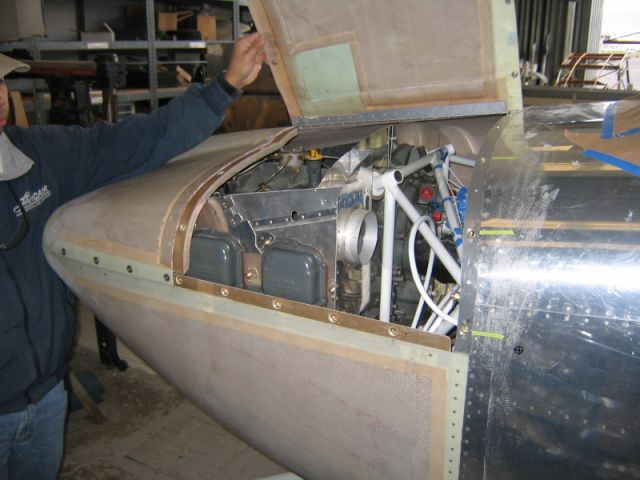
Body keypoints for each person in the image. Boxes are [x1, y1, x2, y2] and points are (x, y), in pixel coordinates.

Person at [0, 33, 265, 480]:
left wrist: (225, 87)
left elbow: (140, 141)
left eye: (0, 81)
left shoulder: (39, 155)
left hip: (45, 397)